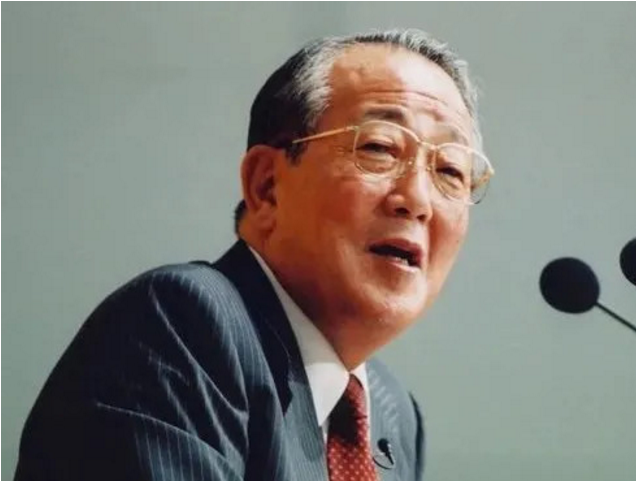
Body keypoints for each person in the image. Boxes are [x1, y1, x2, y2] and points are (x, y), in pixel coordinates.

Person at [14, 28, 494, 481]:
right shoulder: (183, 327)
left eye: (450, 171)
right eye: (379, 147)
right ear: (267, 187)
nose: (417, 200)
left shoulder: (392, 411)